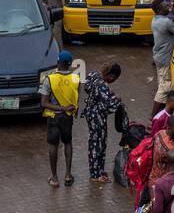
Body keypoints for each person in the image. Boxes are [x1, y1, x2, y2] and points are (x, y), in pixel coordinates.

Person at [41, 51, 81, 187]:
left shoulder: (50, 79)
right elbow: (75, 99)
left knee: (53, 145)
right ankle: (68, 175)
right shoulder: (76, 79)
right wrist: (67, 109)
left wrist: (60, 108)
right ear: (70, 64)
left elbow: (44, 103)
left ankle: (54, 178)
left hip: (53, 117)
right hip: (67, 118)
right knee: (68, 142)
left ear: (58, 62)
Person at [80, 62, 122, 183]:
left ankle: (99, 170)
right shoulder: (102, 86)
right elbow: (108, 107)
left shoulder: (94, 75)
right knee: (97, 144)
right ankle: (96, 174)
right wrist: (116, 99)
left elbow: (87, 87)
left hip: (90, 113)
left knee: (97, 142)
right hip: (97, 117)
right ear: (112, 76)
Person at [151, 0, 174, 114]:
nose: (168, 7)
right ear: (159, 10)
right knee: (164, 88)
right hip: (165, 60)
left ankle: (161, 113)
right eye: (165, 6)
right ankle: (152, 116)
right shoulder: (166, 22)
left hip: (159, 57)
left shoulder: (155, 20)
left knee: (162, 83)